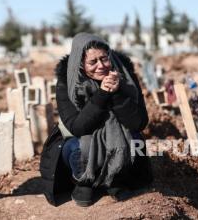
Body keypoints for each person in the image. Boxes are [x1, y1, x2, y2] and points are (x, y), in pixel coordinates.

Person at [40, 33, 152, 207]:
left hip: (118, 137)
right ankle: (84, 181)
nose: (101, 66)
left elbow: (138, 123)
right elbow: (78, 127)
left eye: (104, 59)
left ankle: (116, 179)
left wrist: (116, 94)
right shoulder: (67, 83)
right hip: (81, 139)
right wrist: (102, 94)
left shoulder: (125, 77)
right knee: (79, 146)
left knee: (135, 141)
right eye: (93, 62)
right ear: (80, 64)